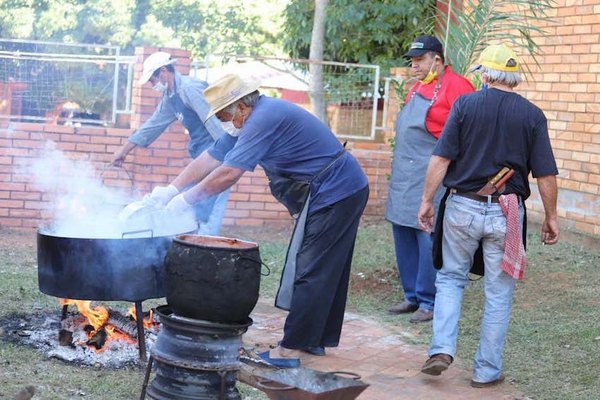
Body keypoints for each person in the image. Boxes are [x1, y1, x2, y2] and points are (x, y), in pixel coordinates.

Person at [148, 73, 369, 368]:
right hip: (336, 189)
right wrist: (171, 190)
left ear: (240, 106)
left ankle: (292, 348)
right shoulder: (250, 119)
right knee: (322, 268)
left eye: (224, 114)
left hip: (337, 190)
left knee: (312, 268)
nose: (225, 121)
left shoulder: (263, 119)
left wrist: (186, 200)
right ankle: (312, 340)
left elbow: (228, 173)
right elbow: (211, 157)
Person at [417, 44, 559, 387]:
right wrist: (551, 217)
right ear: (513, 77)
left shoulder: (466, 104)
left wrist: (426, 200)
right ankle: (486, 371)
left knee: (451, 278)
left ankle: (441, 349)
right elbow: (546, 175)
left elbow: (441, 158)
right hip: (507, 213)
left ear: (485, 74)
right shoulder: (532, 115)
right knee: (499, 292)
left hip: (462, 206)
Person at [386, 35, 474, 323]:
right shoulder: (416, 89)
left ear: (437, 59)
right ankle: (411, 295)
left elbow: (469, 133)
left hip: (431, 175)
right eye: (412, 61)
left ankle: (428, 300)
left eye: (419, 60)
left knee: (426, 236)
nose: (414, 66)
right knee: (403, 232)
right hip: (404, 176)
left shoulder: (458, 86)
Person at [110, 51, 229, 235]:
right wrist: (125, 150)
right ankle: (197, 245)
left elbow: (215, 124)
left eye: (152, 80)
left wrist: (225, 159)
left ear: (164, 72)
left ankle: (208, 248)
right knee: (196, 205)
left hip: (218, 155)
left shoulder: (189, 89)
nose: (152, 85)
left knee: (210, 209)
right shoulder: (171, 97)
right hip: (203, 157)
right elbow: (153, 124)